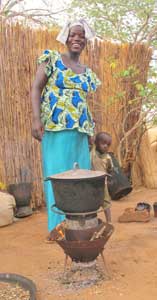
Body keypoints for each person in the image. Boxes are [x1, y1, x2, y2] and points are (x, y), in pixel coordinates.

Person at [31, 20, 101, 240]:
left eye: (81, 36)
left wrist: (90, 132)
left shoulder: (86, 72)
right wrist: (35, 119)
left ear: (86, 41)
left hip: (80, 132)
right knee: (58, 176)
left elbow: (84, 102)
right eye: (73, 35)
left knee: (80, 179)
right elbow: (36, 88)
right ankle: (57, 228)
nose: (77, 39)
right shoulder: (52, 59)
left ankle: (77, 226)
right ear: (66, 37)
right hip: (56, 127)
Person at [91, 132, 113, 223]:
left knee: (106, 203)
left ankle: (109, 222)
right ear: (96, 143)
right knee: (91, 203)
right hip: (90, 184)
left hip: (102, 184)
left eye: (108, 144)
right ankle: (92, 221)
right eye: (103, 143)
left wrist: (109, 179)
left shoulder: (108, 157)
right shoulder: (92, 152)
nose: (105, 146)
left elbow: (110, 169)